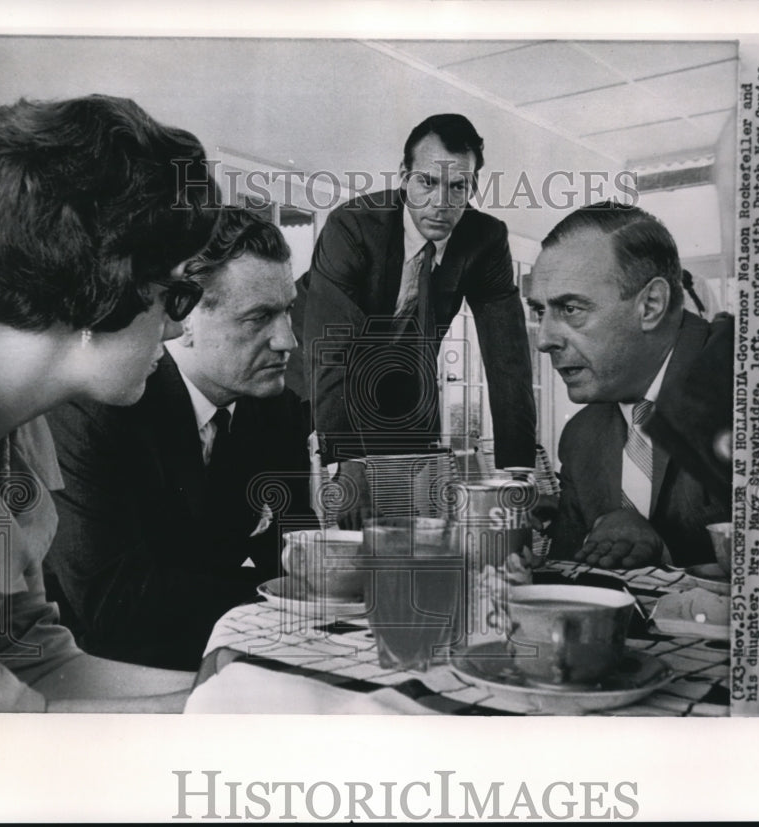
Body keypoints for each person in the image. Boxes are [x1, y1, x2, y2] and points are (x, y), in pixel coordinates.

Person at [0, 94, 219, 712]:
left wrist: (243, 698)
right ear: (99, 288)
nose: (174, 329)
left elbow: (38, 659)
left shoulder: (15, 433)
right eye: (177, 294)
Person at [44, 207, 317, 670]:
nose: (288, 340)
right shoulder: (98, 409)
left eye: (287, 310)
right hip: (98, 675)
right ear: (183, 316)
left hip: (220, 654)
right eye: (259, 318)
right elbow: (115, 607)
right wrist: (274, 598)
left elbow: (296, 554)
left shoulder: (277, 409)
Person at [290, 114, 536, 522]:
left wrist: (520, 473)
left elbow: (507, 355)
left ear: (472, 187)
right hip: (312, 366)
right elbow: (331, 347)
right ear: (404, 177)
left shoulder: (485, 238)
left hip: (403, 368)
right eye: (427, 182)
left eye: (457, 186)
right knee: (324, 501)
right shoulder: (352, 226)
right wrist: (348, 465)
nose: (441, 203)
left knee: (411, 507)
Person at [528, 201, 733, 570]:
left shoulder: (756, 382)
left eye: (571, 308)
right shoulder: (581, 436)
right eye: (540, 311)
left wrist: (663, 549)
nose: (543, 340)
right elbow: (572, 586)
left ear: (651, 305)